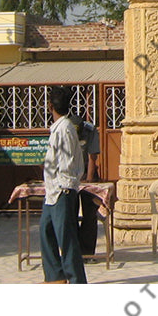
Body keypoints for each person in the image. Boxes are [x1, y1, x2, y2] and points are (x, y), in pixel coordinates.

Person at [40, 86, 87, 283]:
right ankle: (55, 276)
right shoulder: (57, 129)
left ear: (50, 106)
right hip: (52, 191)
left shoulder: (66, 128)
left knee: (66, 238)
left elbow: (67, 163)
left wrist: (62, 186)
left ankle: (76, 279)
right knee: (46, 230)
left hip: (62, 190)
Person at [68, 110, 101, 258]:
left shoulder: (90, 130)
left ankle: (87, 253)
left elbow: (92, 157)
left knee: (89, 213)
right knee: (70, 214)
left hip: (88, 172)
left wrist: (87, 181)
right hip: (70, 174)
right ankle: (73, 252)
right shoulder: (64, 129)